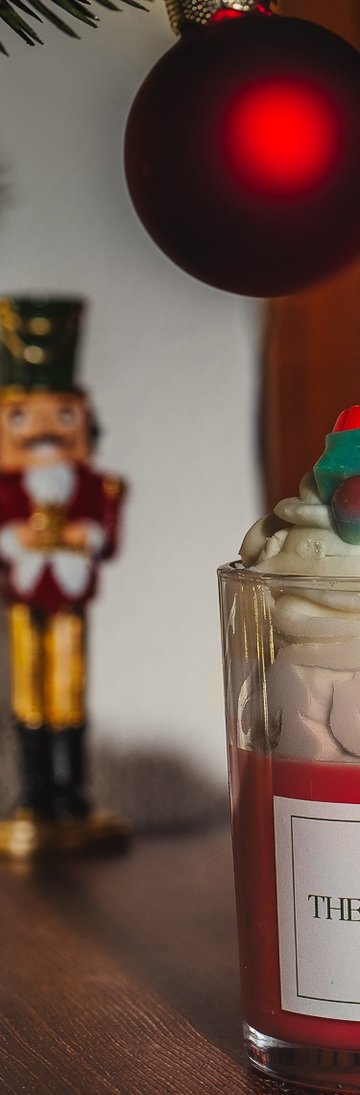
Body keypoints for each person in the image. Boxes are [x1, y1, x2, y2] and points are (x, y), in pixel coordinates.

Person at [0, 297, 124, 838]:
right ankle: (36, 792)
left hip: (70, 601)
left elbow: (107, 537)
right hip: (27, 604)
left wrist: (83, 535)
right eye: (21, 417)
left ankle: (72, 789)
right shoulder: (7, 490)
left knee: (68, 690)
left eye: (63, 415)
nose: (43, 432)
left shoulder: (96, 487)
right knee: (29, 692)